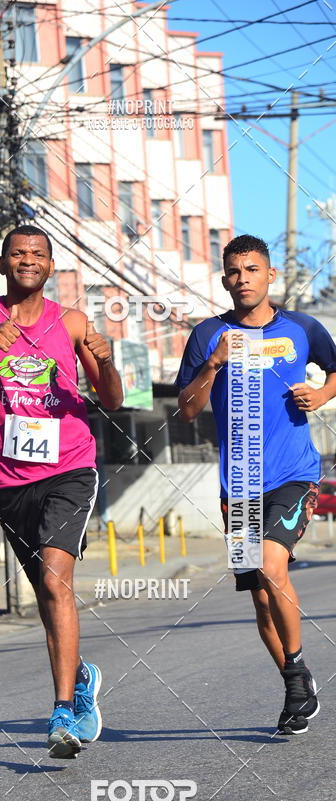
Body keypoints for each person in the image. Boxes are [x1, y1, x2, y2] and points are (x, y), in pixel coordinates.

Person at [0, 224, 123, 757]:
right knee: (44, 590)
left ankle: (62, 711)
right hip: (8, 477)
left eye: (37, 253)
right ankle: (80, 673)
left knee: (57, 580)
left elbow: (111, 397)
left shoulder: (74, 322)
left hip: (69, 468)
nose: (27, 260)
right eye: (18, 253)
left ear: (50, 264)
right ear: (3, 263)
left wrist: (104, 360)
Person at [176, 234, 336, 735]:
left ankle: (295, 677)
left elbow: (335, 370)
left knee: (272, 565)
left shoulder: (303, 327)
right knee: (261, 598)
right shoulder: (206, 335)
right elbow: (187, 409)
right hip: (238, 484)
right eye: (232, 271)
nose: (241, 278)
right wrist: (214, 363)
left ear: (269, 276)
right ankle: (296, 678)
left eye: (251, 269)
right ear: (224, 279)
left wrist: (322, 393)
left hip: (294, 473)